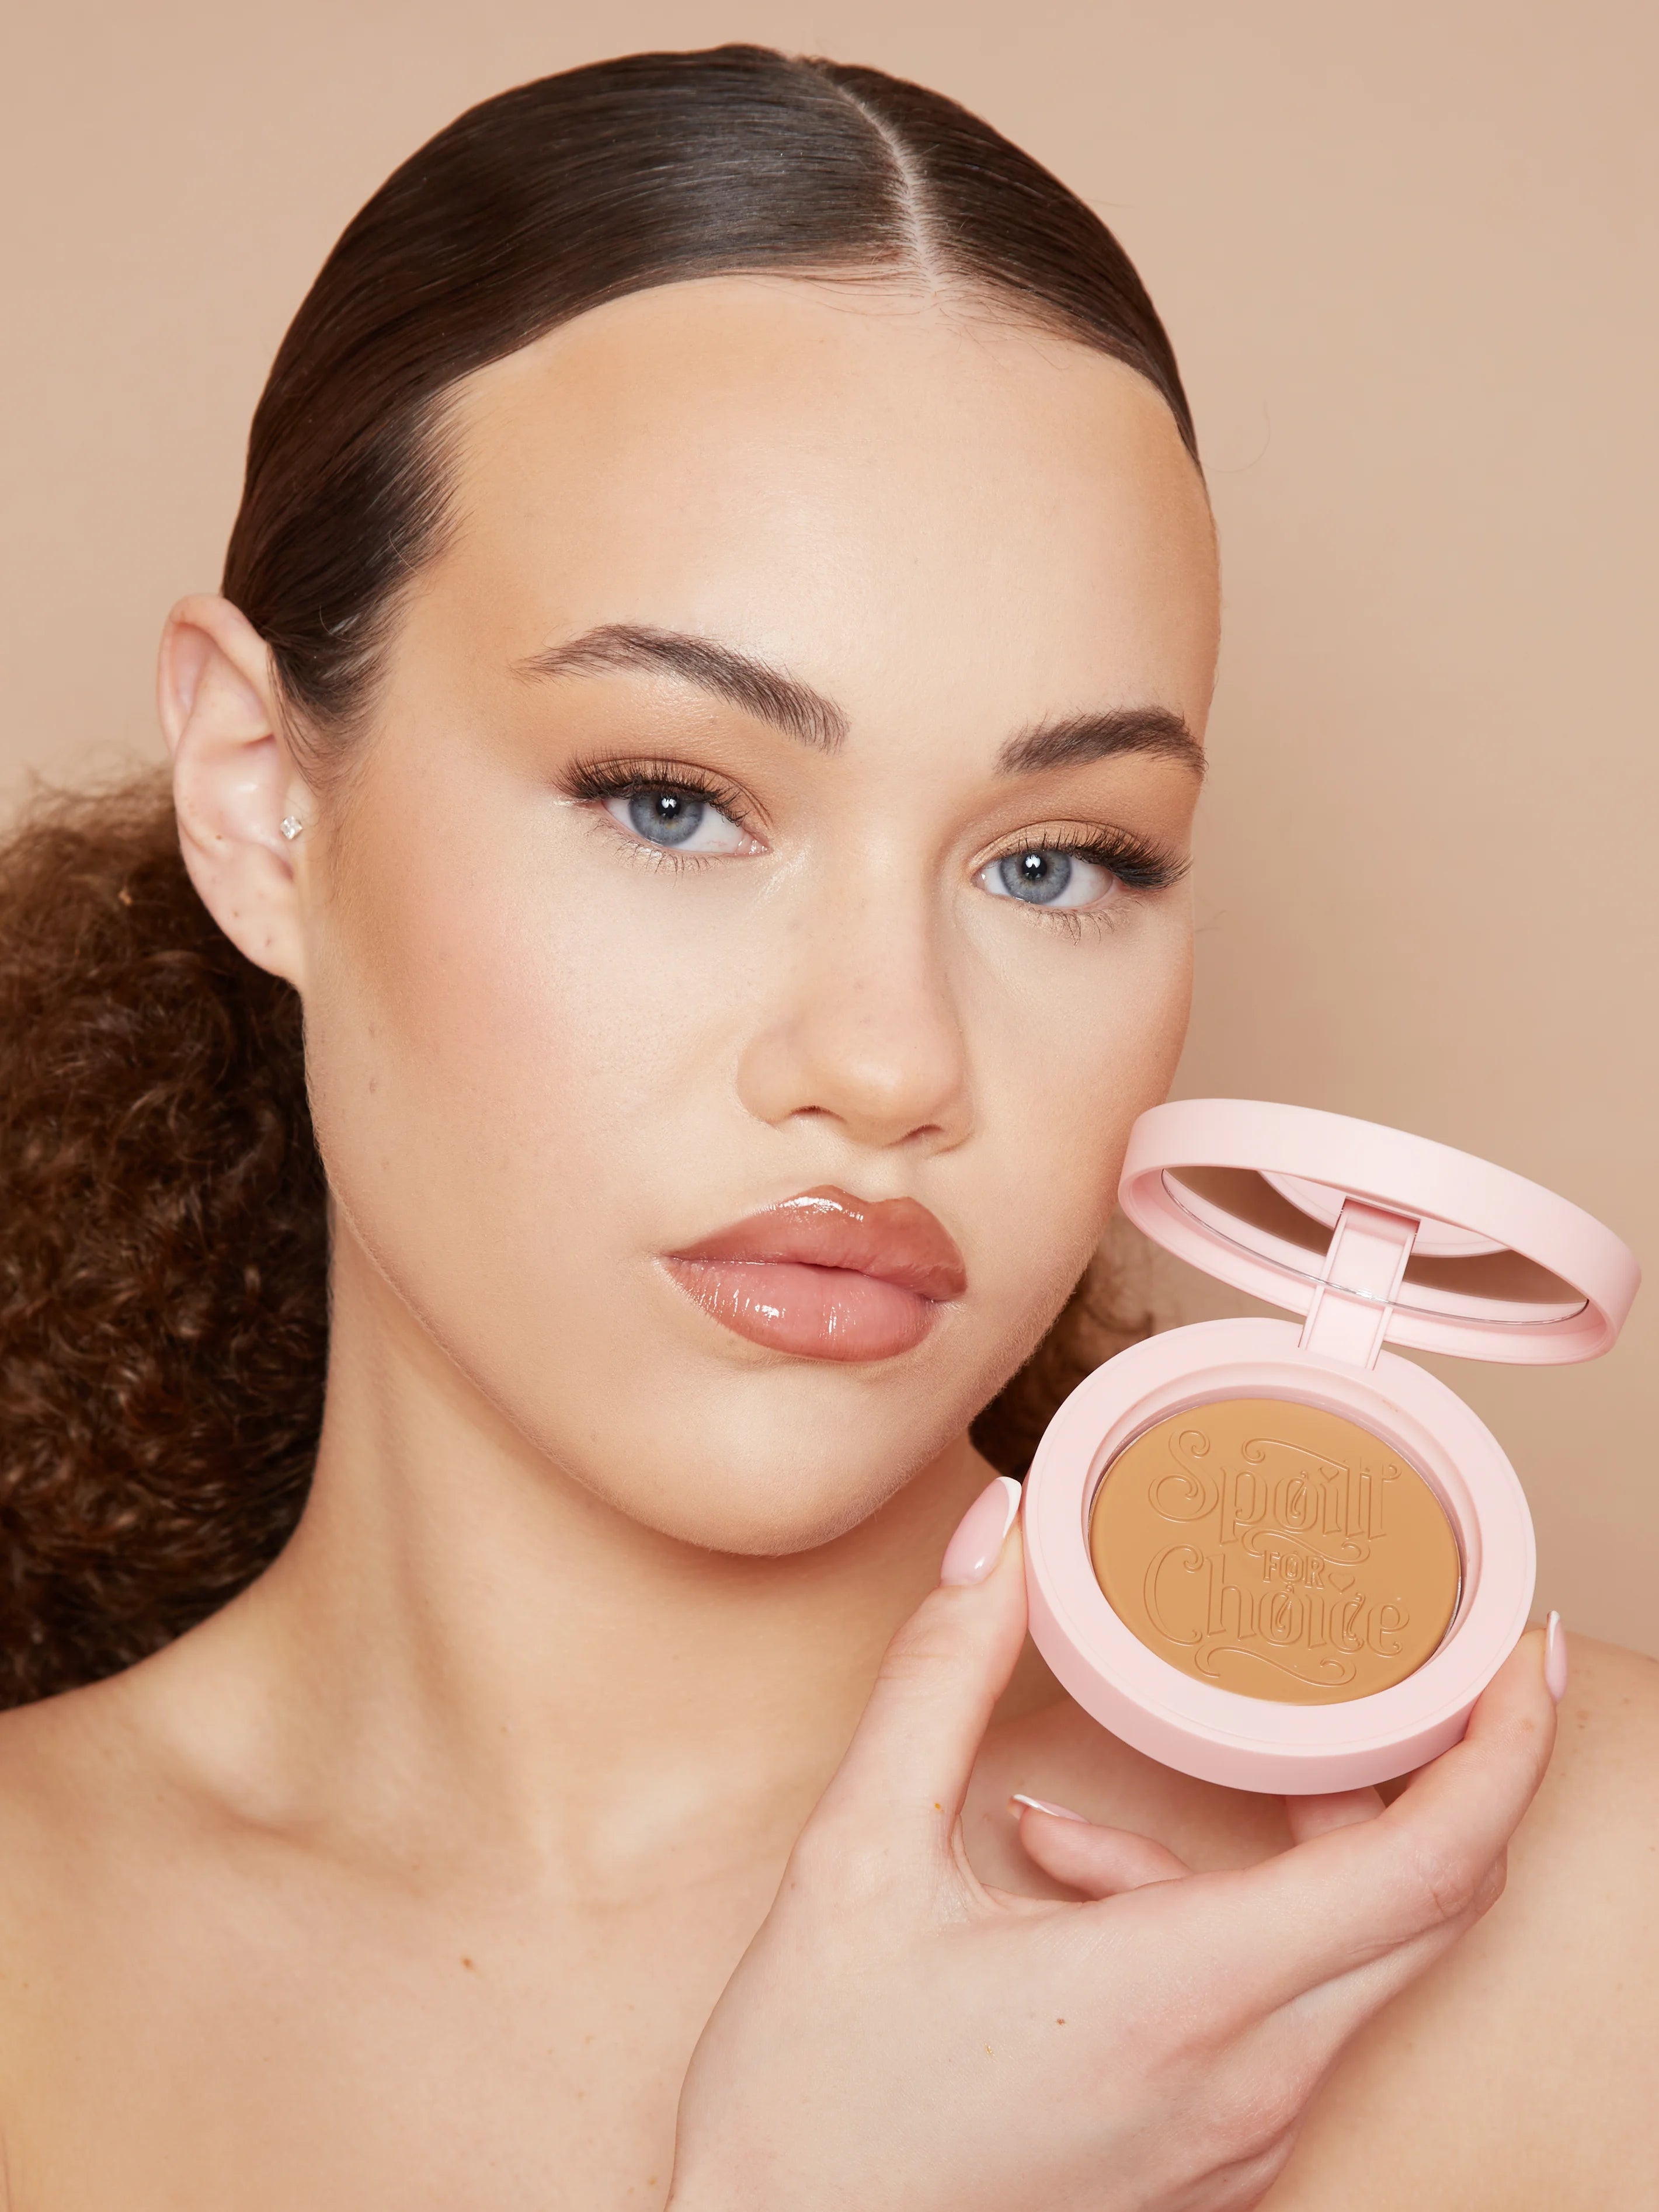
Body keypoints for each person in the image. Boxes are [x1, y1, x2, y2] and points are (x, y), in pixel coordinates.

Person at [0, 44, 1652, 2211]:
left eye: (1056, 859)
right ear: (258, 796)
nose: (888, 1062)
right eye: (673, 801)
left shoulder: (1601, 1926)